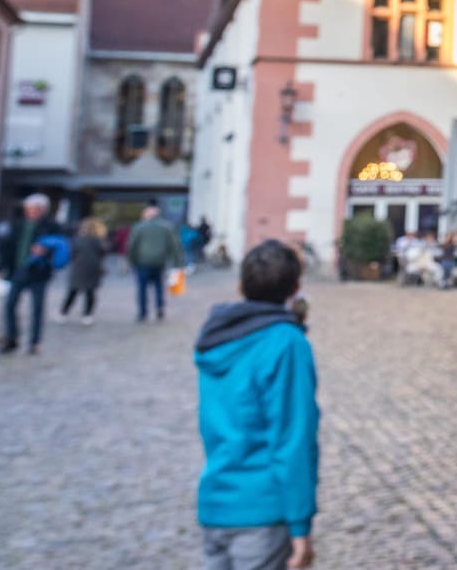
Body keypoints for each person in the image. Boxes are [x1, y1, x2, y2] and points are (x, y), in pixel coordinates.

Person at [194, 240, 318, 570]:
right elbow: (292, 437)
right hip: (262, 508)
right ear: (295, 287)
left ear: (241, 286)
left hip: (217, 502)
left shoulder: (217, 337)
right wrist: (300, 524)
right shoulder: (285, 342)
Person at [0, 194, 65, 355]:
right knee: (10, 304)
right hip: (19, 270)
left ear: (43, 210)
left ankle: (34, 342)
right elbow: (7, 248)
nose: (31, 212)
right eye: (29, 209)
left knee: (37, 307)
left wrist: (46, 252)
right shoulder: (18, 224)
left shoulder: (51, 226)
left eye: (35, 209)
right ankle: (12, 339)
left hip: (39, 273)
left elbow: (61, 247)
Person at [128, 204, 185, 322]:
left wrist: (132, 261)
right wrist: (177, 262)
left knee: (142, 288)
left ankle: (142, 313)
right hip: (160, 261)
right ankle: (160, 309)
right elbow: (174, 245)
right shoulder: (166, 227)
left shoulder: (139, 227)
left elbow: (132, 246)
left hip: (142, 261)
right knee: (159, 287)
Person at [61, 216, 108, 325]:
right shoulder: (99, 241)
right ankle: (87, 315)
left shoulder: (77, 239)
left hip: (79, 268)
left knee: (72, 292)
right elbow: (103, 253)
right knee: (90, 293)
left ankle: (64, 312)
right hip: (93, 268)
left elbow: (72, 253)